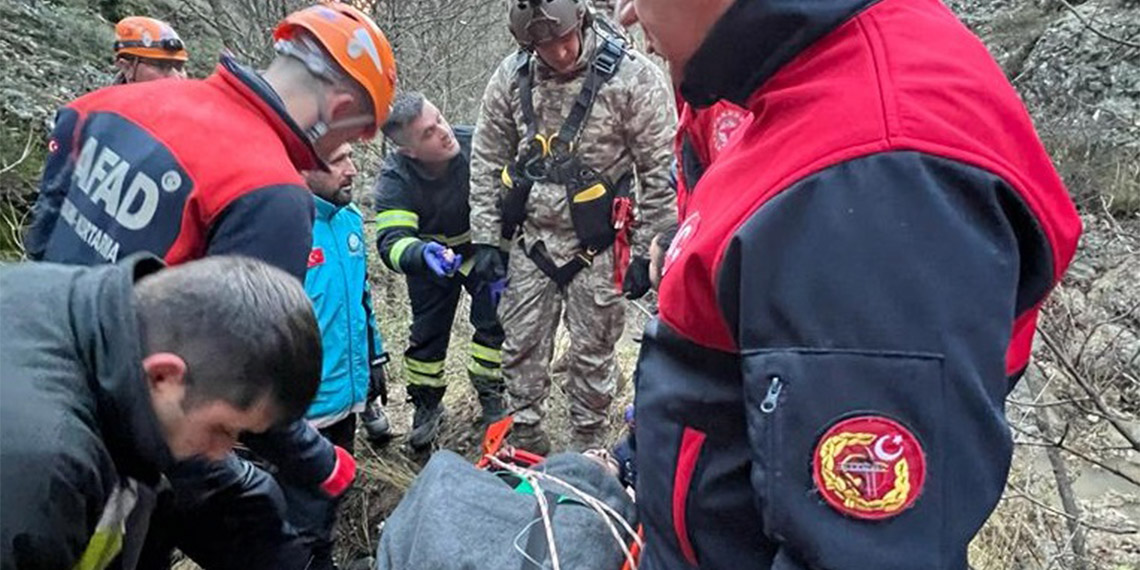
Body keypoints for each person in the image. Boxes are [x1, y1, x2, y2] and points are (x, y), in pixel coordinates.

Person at [624, 0, 1083, 568]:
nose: (623, 11)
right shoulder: (798, 82)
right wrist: (634, 463)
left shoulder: (868, 176)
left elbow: (859, 552)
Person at [23, 4, 398, 569]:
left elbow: (42, 235)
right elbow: (247, 360)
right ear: (341, 110)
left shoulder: (106, 104)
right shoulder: (269, 191)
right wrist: (319, 462)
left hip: (38, 364)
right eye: (357, 135)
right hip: (135, 433)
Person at [0, 255, 322, 570]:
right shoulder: (44, 476)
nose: (220, 453)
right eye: (222, 429)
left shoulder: (95, 311)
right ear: (163, 376)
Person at [468, 0, 675, 454]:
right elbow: (487, 157)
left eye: (564, 40)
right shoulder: (512, 76)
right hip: (532, 241)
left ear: (581, 21)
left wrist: (649, 248)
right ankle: (525, 441)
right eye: (544, 45)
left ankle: (588, 446)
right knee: (519, 348)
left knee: (594, 353)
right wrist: (486, 237)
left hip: (600, 245)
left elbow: (659, 168)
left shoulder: (633, 77)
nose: (559, 53)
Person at [374, 92, 505, 450]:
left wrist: (502, 255)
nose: (443, 132)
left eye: (440, 120)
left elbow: (513, 203)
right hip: (431, 260)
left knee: (494, 321)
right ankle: (427, 405)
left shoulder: (477, 144)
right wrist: (420, 253)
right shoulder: (395, 179)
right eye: (428, 133)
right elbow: (390, 241)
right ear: (408, 151)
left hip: (479, 250)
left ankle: (491, 391)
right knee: (427, 335)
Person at [286, 142, 389, 569]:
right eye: (338, 161)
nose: (352, 170)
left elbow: (361, 299)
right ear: (303, 167)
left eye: (351, 157)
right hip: (300, 412)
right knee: (298, 516)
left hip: (347, 399)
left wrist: (375, 358)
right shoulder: (284, 226)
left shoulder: (348, 221)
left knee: (329, 502)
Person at [112, 16, 189, 84]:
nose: (175, 78)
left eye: (179, 67)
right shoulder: (105, 100)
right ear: (127, 68)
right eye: (161, 66)